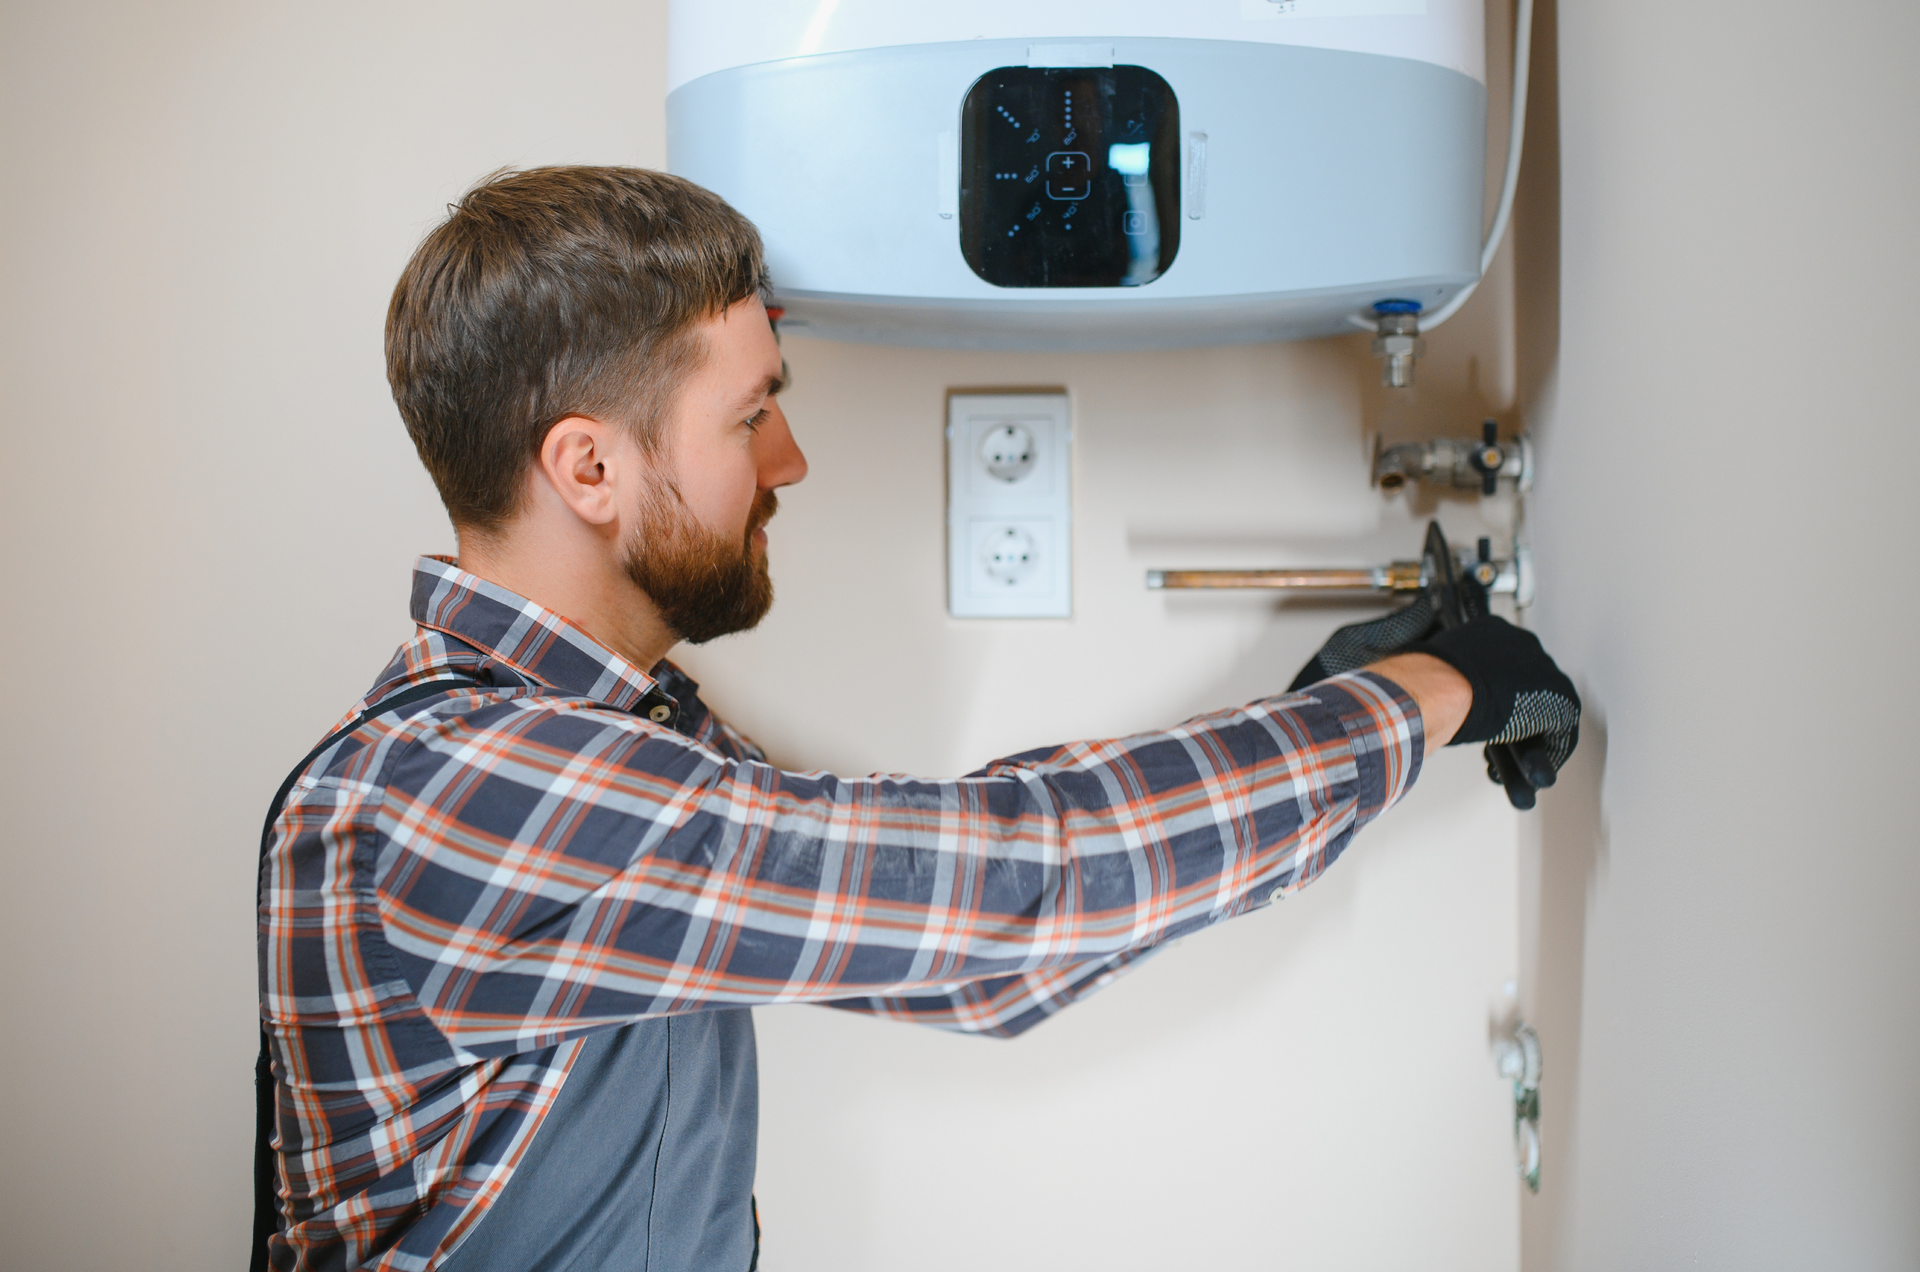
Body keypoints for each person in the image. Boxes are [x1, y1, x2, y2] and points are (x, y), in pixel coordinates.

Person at [255, 166, 1580, 1272]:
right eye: (752, 412)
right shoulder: (470, 786)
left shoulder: (611, 747)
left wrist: (1325, 719)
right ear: (589, 467)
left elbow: (970, 953)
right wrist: (1428, 695)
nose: (788, 463)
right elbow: (1020, 882)